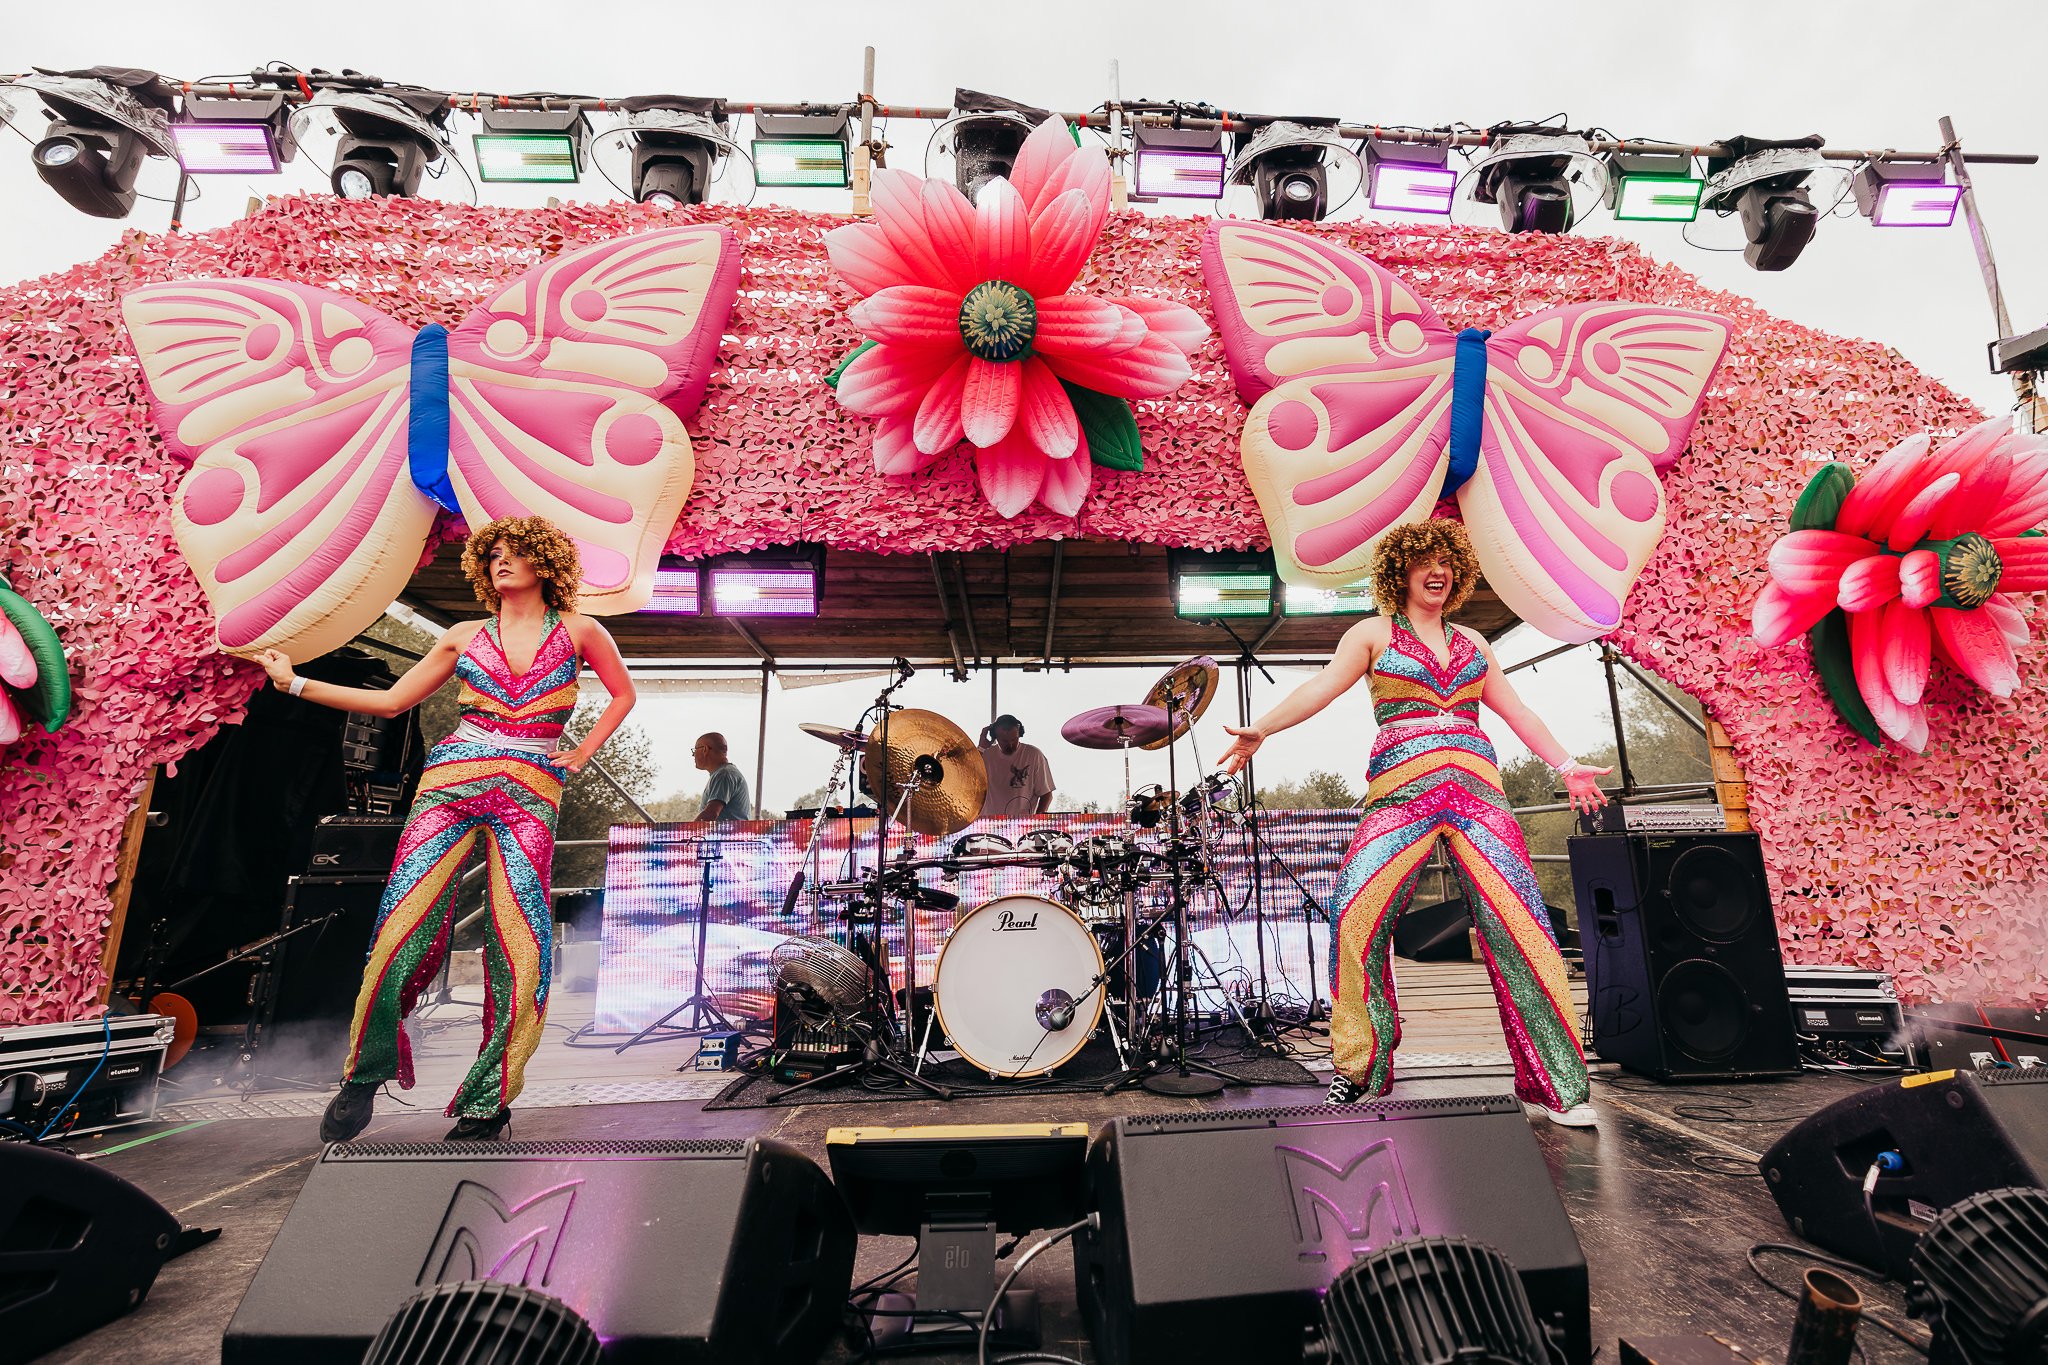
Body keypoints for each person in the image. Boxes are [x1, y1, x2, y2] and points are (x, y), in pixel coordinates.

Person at [253, 516, 635, 1144]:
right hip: (449, 784)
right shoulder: (461, 635)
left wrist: (583, 750)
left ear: (545, 563)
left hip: (531, 789)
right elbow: (391, 702)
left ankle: (489, 1099)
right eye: (493, 556)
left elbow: (623, 695)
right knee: (403, 923)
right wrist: (294, 681)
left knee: (519, 939)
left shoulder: (582, 630)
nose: (500, 563)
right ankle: (363, 1073)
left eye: (515, 554)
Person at [1217, 520, 1609, 1127]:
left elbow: (1517, 709)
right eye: (1424, 561)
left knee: (1523, 927)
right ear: (1400, 572)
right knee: (1356, 912)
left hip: (1479, 793)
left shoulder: (1475, 641)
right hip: (1402, 794)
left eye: (1447, 561)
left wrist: (1564, 763)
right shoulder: (1372, 633)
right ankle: (1358, 1069)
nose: (1438, 570)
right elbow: (1323, 685)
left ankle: (1560, 1086)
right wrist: (1264, 727)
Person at [978, 714, 1055, 818]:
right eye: (1004, 741)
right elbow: (963, 777)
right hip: (988, 826)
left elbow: (1046, 794)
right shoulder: (984, 755)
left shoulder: (1033, 755)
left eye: (1014, 739)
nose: (1010, 745)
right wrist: (981, 748)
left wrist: (1037, 821)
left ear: (1020, 734)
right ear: (995, 737)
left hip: (1022, 827)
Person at [693, 732, 752, 821]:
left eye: (695, 750)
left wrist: (687, 832)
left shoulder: (723, 775)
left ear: (705, 749)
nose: (693, 755)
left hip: (728, 835)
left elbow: (711, 814)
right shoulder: (726, 773)